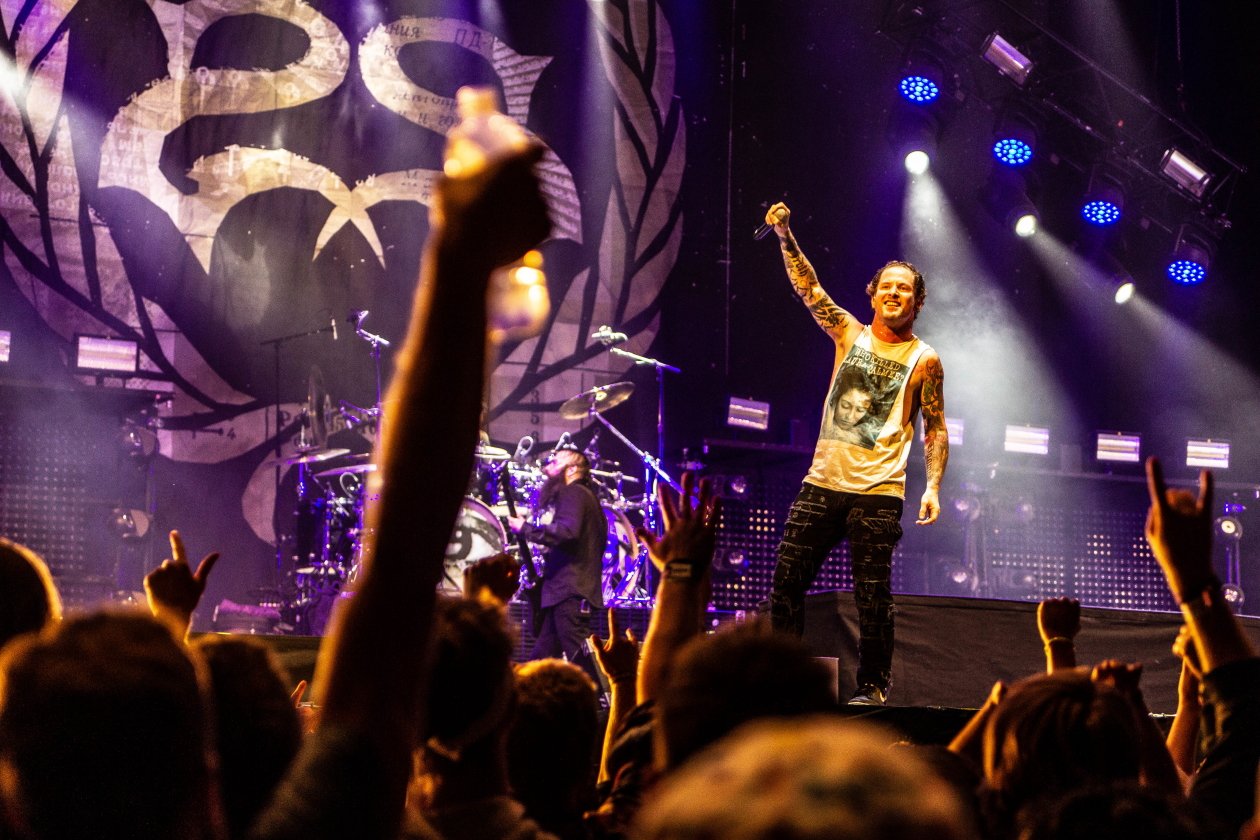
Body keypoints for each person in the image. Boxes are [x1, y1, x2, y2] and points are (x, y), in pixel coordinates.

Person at [761, 201, 949, 707]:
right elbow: (809, 289)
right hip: (823, 482)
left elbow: (934, 427)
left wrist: (932, 486)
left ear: (916, 301)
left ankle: (873, 687)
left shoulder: (925, 359)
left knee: (873, 595)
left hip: (879, 492)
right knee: (785, 582)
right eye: (887, 285)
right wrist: (785, 234)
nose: (894, 292)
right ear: (873, 294)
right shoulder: (849, 332)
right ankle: (783, 681)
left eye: (904, 288)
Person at [508, 444, 605, 663]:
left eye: (555, 462)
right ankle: (528, 694)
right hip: (565, 591)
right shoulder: (587, 498)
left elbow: (567, 533)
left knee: (580, 657)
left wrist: (525, 529)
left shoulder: (574, 492)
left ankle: (599, 694)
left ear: (571, 469)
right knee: (542, 656)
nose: (547, 468)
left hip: (570, 591)